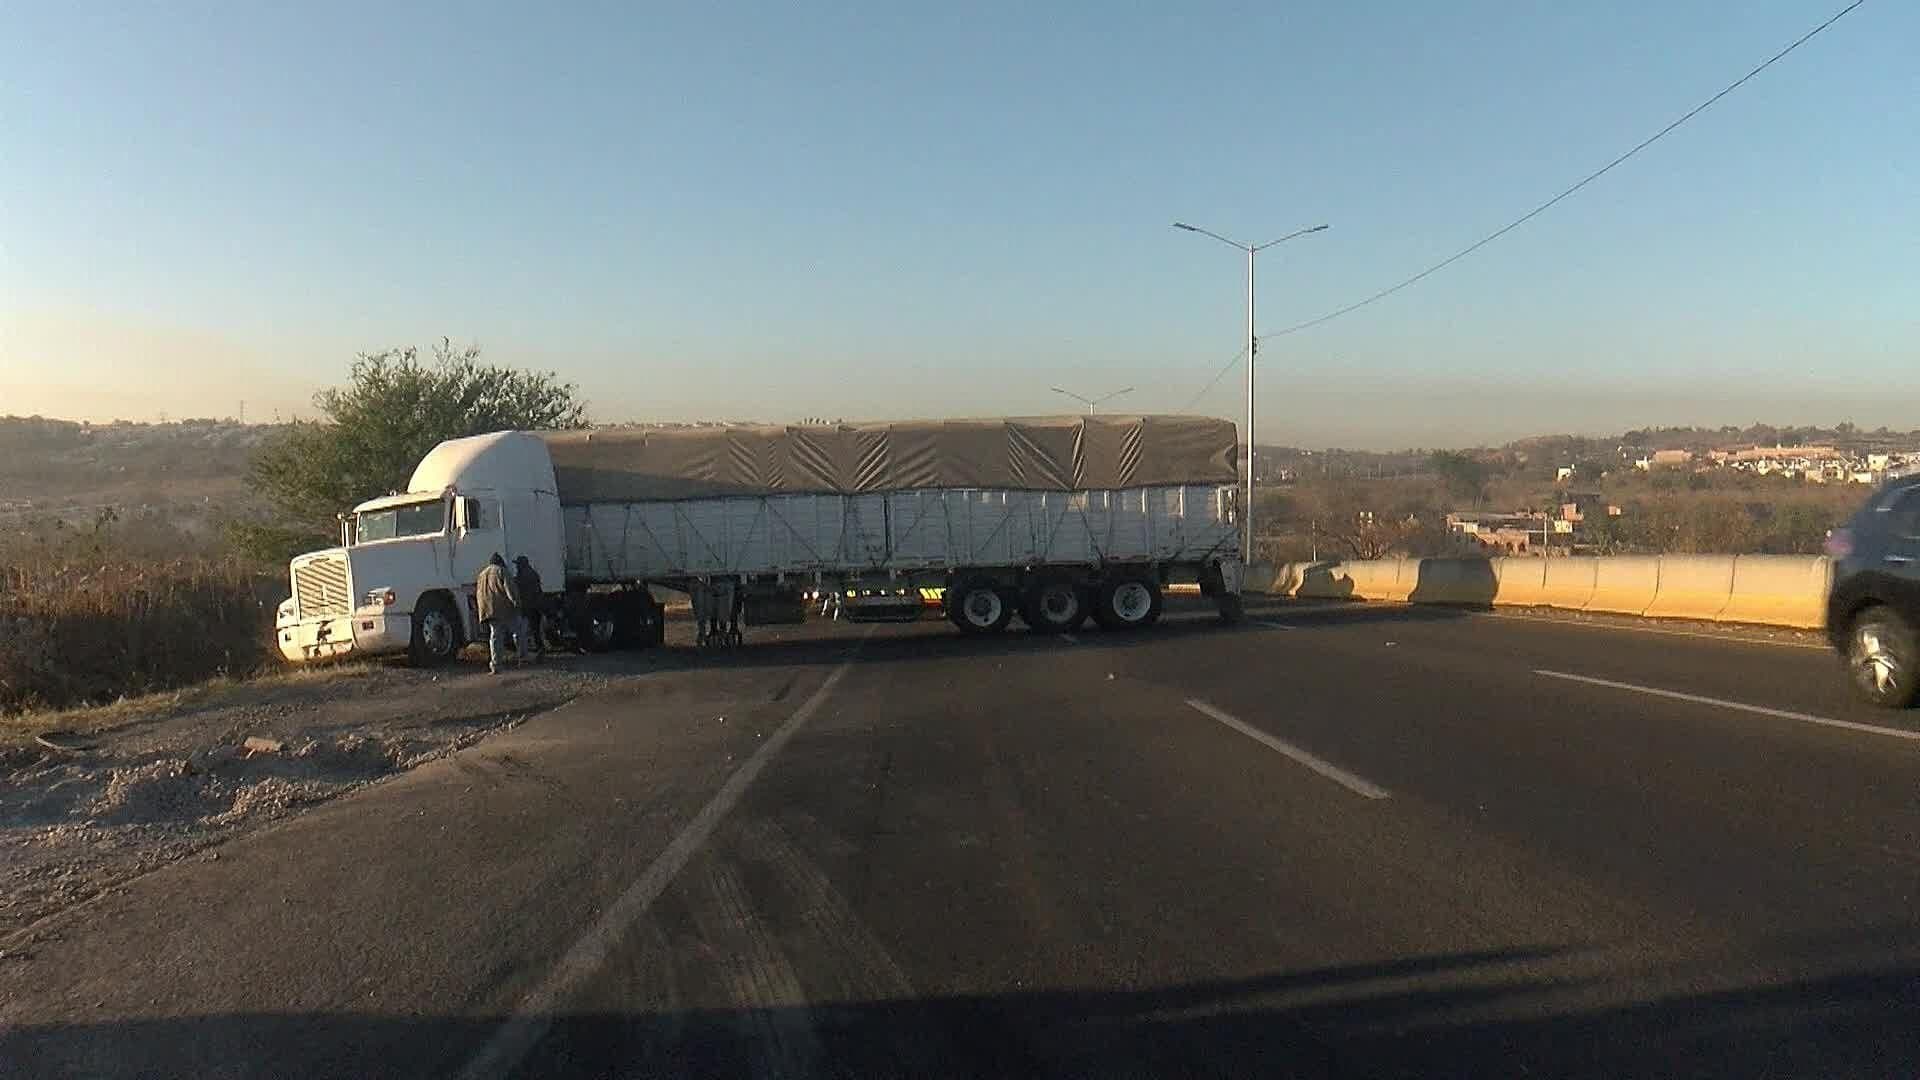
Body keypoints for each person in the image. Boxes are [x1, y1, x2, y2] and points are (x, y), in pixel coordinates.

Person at [475, 553, 520, 675]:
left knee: (495, 637)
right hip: (503, 609)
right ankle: (523, 657)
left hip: (488, 610)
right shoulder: (501, 571)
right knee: (517, 631)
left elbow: (479, 593)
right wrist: (516, 603)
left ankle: (496, 664)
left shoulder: (482, 574)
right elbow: (510, 589)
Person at [513, 554, 544, 660]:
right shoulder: (532, 574)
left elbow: (522, 591)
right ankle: (539, 649)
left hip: (529, 607)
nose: (516, 567)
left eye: (517, 564)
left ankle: (534, 652)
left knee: (527, 631)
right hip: (535, 606)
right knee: (535, 630)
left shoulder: (523, 576)